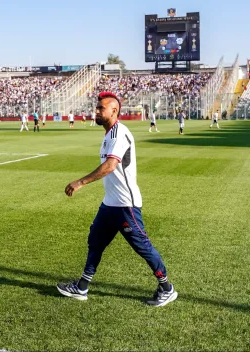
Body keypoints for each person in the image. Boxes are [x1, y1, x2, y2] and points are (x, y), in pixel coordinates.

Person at [57, 91, 177, 307]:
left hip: (125, 204)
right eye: (97, 107)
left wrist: (81, 182)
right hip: (110, 203)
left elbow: (111, 165)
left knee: (142, 246)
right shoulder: (108, 134)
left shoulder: (119, 134)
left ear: (114, 111)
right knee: (95, 241)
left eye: (101, 108)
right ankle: (82, 287)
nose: (96, 111)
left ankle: (167, 288)